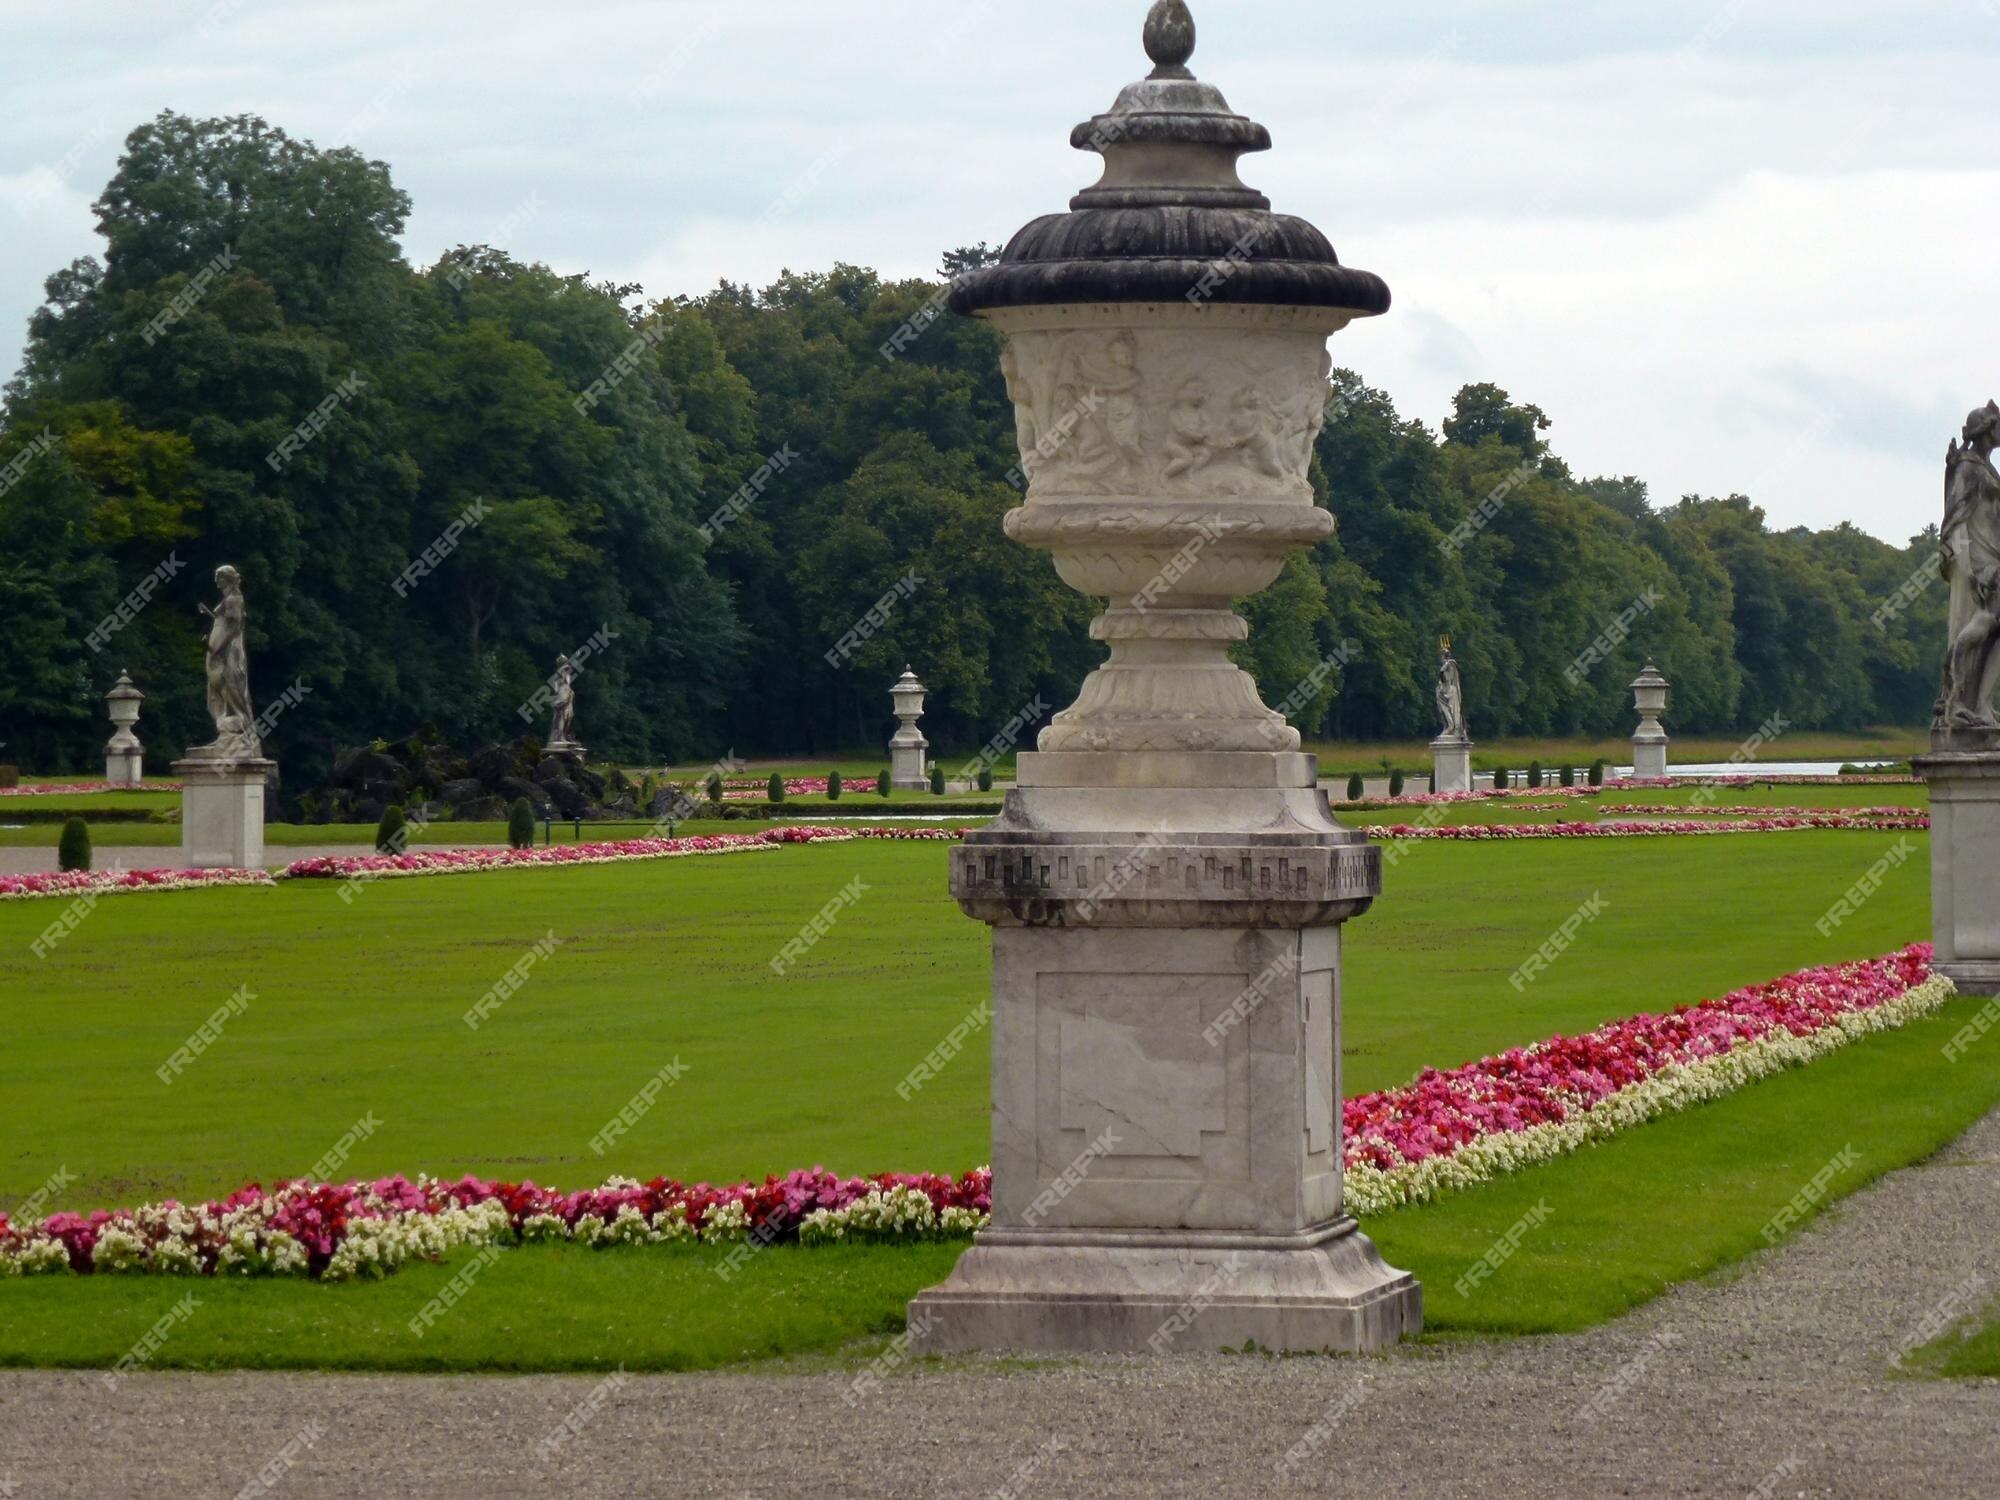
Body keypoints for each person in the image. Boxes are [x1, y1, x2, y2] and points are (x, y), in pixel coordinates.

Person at [1938, 401, 2000, 730]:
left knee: (1990, 626)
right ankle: (1958, 699)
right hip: (1977, 557)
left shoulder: (1987, 468)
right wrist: (1967, 566)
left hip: (1993, 555)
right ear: (1988, 429)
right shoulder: (1967, 466)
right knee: (1982, 622)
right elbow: (1956, 521)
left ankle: (1981, 703)